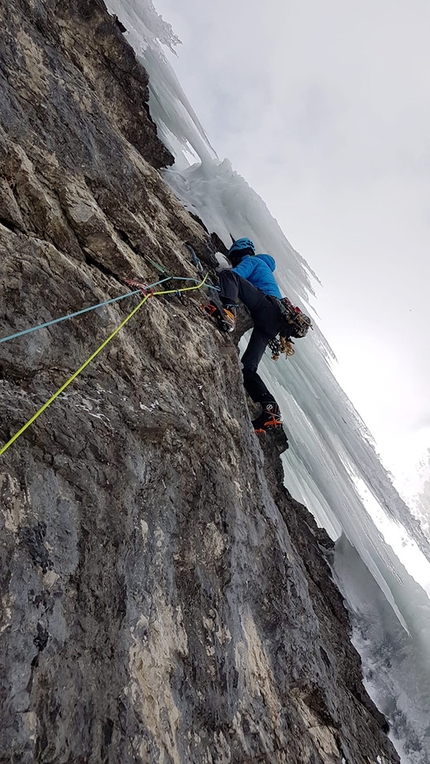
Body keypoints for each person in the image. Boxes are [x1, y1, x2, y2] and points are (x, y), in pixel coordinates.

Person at [209, 238, 285, 433]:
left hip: (267, 307)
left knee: (228, 276)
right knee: (248, 368)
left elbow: (234, 276)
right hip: (274, 322)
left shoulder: (252, 260)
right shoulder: (265, 269)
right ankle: (270, 410)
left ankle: (229, 314)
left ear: (238, 252)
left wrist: (220, 273)